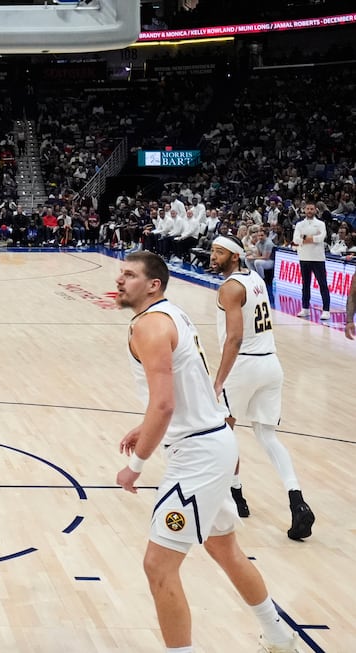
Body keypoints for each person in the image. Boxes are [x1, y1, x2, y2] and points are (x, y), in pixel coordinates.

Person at [114, 251, 300, 653]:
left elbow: (164, 404)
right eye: (120, 273)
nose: (119, 280)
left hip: (198, 454)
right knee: (224, 548)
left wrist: (135, 465)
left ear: (153, 285)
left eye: (129, 275)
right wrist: (145, 426)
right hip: (212, 439)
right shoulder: (173, 314)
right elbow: (181, 392)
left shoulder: (149, 327)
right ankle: (281, 636)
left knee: (158, 566)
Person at [209, 236, 314, 540]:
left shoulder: (230, 287)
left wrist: (219, 380)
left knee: (223, 430)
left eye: (220, 253)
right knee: (267, 436)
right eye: (214, 251)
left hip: (244, 365)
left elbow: (234, 338)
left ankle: (236, 495)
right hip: (271, 364)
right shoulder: (255, 277)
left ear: (235, 256)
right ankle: (297, 501)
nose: (214, 256)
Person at [291, 201, 331, 321]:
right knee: (305, 284)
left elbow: (320, 238)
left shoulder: (320, 224)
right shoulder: (299, 225)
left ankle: (326, 310)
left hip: (318, 258)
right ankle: (305, 308)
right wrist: (310, 238)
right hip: (304, 257)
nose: (309, 211)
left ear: (315, 210)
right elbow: (295, 240)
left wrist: (304, 238)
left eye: (311, 209)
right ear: (304, 210)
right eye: (307, 209)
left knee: (322, 284)